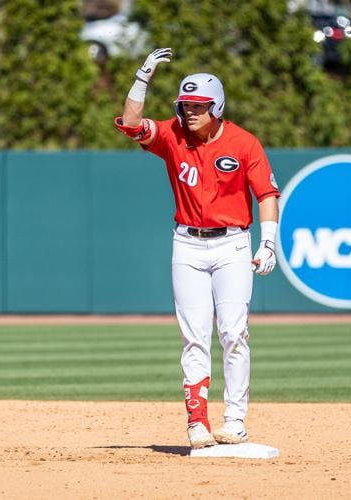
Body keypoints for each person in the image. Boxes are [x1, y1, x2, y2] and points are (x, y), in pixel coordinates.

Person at [114, 48, 280, 449]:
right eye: (185, 105)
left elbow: (267, 194)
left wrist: (269, 242)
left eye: (199, 106)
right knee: (194, 336)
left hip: (232, 245)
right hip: (187, 243)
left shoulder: (243, 143)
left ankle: (235, 419)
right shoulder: (172, 134)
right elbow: (132, 124)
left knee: (234, 333)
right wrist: (143, 76)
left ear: (217, 107)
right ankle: (197, 420)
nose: (189, 112)